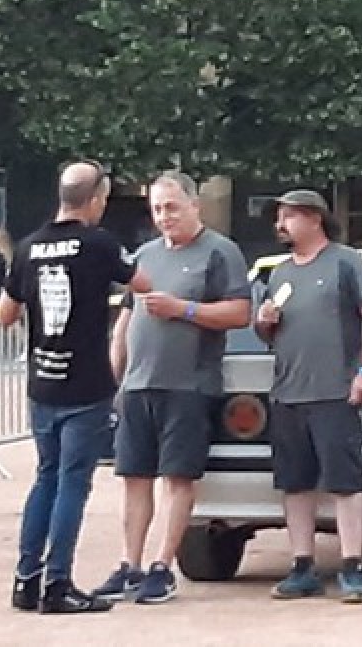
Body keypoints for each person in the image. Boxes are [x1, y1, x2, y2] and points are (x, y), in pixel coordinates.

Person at [0, 160, 152, 614]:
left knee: (45, 478)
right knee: (72, 483)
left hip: (42, 382)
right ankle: (58, 583)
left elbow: (4, 315)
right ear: (96, 199)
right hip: (85, 384)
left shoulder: (28, 247)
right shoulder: (99, 244)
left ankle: (26, 579)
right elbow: (142, 284)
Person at [93, 172, 252, 604]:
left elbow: (240, 313)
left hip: (189, 385)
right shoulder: (144, 255)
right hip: (138, 385)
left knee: (178, 477)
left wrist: (184, 309)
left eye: (172, 207)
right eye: (158, 209)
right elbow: (127, 316)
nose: (165, 217)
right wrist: (117, 377)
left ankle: (163, 565)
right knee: (133, 476)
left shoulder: (220, 252)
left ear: (194, 206)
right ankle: (130, 564)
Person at [254, 190, 362, 603]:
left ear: (314, 219)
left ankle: (352, 565)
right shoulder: (277, 274)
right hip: (287, 394)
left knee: (345, 482)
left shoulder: (346, 262)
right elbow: (267, 336)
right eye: (279, 217)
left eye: (289, 216)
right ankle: (302, 566)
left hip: (334, 392)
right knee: (294, 484)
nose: (281, 224)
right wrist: (263, 322)